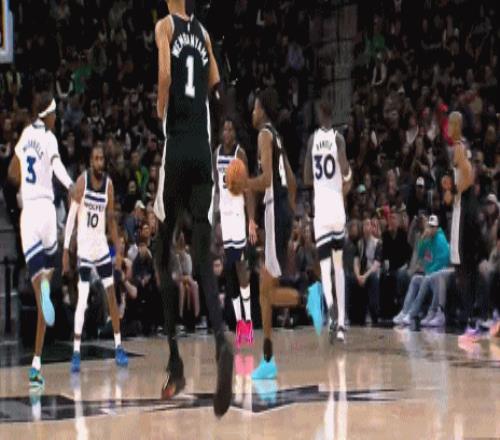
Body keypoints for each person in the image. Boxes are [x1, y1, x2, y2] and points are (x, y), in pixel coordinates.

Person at [153, 0, 233, 417]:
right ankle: (221, 336)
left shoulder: (164, 26)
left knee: (161, 252)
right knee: (203, 255)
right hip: (204, 152)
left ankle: (176, 362)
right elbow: (218, 89)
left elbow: (167, 75)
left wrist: (161, 106)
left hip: (178, 148)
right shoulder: (204, 34)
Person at [241, 88, 320, 380]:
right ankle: (268, 359)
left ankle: (309, 298)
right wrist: (288, 213)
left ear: (262, 110)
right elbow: (293, 183)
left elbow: (265, 180)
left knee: (266, 292)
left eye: (255, 108)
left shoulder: (264, 135)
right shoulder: (276, 137)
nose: (252, 112)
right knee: (265, 293)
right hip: (281, 212)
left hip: (276, 212)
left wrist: (243, 184)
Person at [7, 91, 75, 389]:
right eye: (55, 113)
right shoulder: (49, 138)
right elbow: (57, 167)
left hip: (30, 212)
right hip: (48, 211)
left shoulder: (25, 136)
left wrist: (22, 184)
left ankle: (42, 292)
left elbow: (12, 172)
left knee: (39, 293)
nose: (56, 118)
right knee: (46, 280)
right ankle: (36, 364)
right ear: (47, 114)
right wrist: (71, 186)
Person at [63, 144, 129, 373]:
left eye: (102, 158)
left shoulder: (109, 185)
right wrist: (65, 251)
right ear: (91, 161)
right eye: (96, 158)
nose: (100, 162)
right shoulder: (82, 182)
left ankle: (119, 346)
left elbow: (111, 220)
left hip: (100, 247)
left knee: (112, 295)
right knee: (82, 299)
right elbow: (71, 218)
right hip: (84, 248)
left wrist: (118, 251)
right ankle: (76, 351)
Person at [303, 100, 352, 343]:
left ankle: (331, 309)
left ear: (319, 113)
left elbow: (306, 178)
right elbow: (345, 171)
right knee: (338, 266)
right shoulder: (338, 139)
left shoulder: (312, 140)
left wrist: (320, 181)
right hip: (336, 206)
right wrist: (347, 176)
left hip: (321, 208)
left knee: (324, 267)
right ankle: (341, 323)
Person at [213, 117, 256, 347]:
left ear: (235, 133)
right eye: (225, 128)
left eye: (230, 129)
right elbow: (216, 189)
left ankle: (248, 321)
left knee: (240, 268)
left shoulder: (240, 154)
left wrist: (251, 220)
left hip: (238, 216)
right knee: (229, 270)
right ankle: (240, 323)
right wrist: (215, 219)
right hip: (225, 217)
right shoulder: (216, 154)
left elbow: (247, 190)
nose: (227, 132)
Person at [443, 112, 482, 342]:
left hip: (463, 211)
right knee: (464, 266)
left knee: (461, 266)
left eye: (450, 123)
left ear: (457, 125)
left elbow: (469, 174)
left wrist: (455, 190)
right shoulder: (463, 146)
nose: (447, 127)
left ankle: (470, 319)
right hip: (467, 209)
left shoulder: (458, 147)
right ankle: (472, 316)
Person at [393, 215, 450, 325]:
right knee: (415, 279)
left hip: (438, 276)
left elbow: (442, 262)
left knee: (426, 279)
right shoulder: (428, 239)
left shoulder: (441, 239)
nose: (431, 229)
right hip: (429, 275)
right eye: (429, 226)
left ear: (437, 227)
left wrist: (429, 272)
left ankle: (412, 314)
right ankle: (405, 311)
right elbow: (420, 255)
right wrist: (423, 239)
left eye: (433, 227)